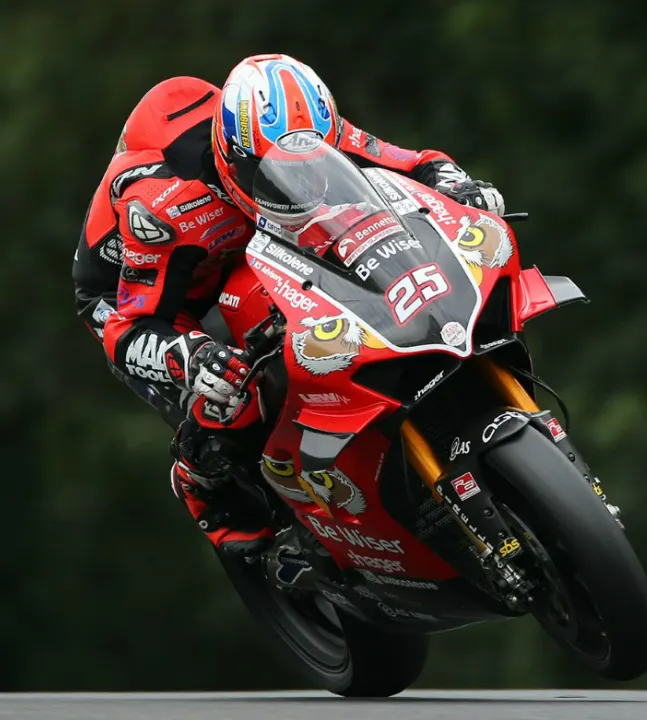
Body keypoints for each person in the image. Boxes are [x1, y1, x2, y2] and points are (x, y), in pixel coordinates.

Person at [72, 53, 506, 555]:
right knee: (230, 388)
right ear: (232, 154)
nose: (296, 177)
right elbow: (133, 319)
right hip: (144, 293)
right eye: (269, 168)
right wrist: (190, 356)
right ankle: (202, 481)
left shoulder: (309, 125)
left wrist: (456, 186)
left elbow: (414, 163)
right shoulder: (163, 204)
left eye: (313, 158)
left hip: (255, 243)